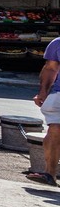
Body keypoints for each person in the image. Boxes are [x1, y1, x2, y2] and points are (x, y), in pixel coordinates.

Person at [31, 34, 60, 185]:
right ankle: (49, 174)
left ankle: (50, 174)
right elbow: (51, 68)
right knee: (54, 130)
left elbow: (50, 68)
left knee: (55, 130)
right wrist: (43, 92)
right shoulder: (57, 43)